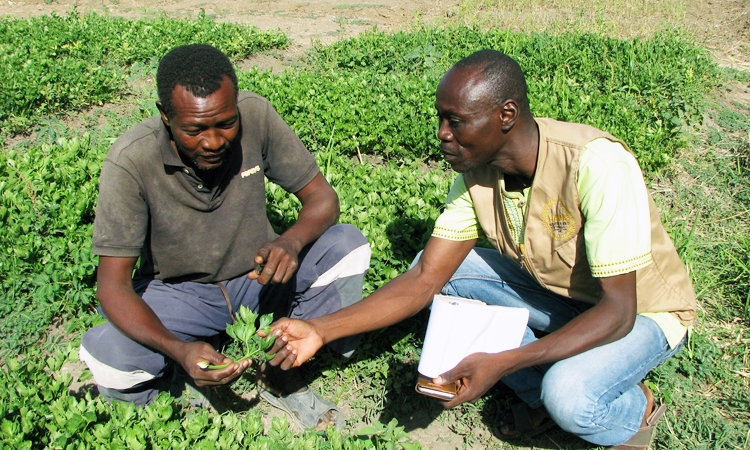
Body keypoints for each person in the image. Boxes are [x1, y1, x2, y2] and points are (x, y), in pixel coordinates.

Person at [265, 49, 696, 448]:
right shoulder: (476, 174)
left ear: (506, 114)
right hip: (568, 300)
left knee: (570, 396)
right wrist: (321, 330)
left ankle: (632, 410)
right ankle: (543, 390)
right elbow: (424, 279)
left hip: (640, 313)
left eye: (456, 121)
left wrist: (503, 361)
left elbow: (619, 311)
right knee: (444, 273)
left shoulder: (596, 164)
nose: (442, 134)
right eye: (440, 119)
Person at [78, 44, 371, 430]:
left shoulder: (256, 115)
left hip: (259, 280)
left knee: (347, 246)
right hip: (179, 295)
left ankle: (279, 363)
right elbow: (112, 287)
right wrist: (177, 349)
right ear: (165, 115)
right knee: (107, 354)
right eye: (194, 129)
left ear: (235, 104)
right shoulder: (131, 160)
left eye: (225, 123)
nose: (214, 141)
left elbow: (322, 200)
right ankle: (181, 377)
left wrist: (290, 242)